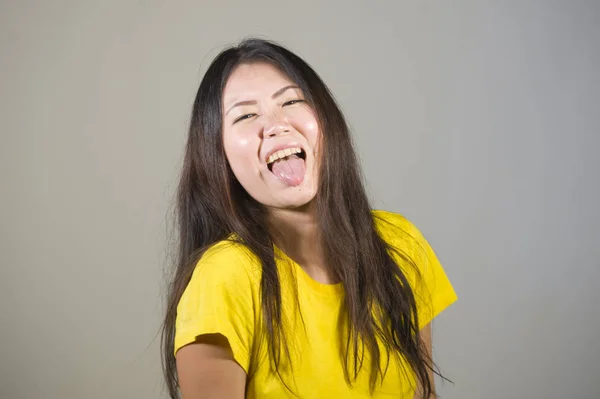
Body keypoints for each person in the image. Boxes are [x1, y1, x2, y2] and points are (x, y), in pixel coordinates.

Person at [161, 38, 457, 399]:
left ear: (325, 120)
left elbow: (423, 393)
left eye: (291, 101)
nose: (276, 125)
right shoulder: (224, 276)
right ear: (217, 154)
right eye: (246, 115)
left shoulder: (399, 244)